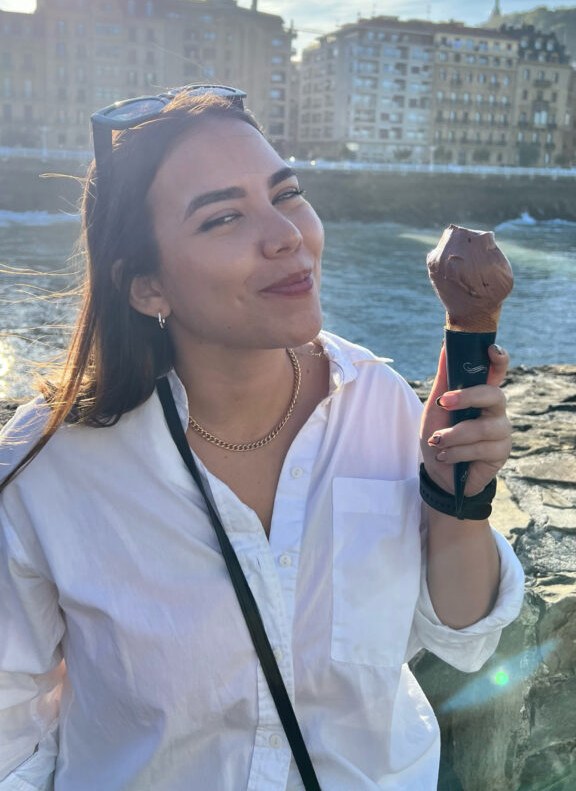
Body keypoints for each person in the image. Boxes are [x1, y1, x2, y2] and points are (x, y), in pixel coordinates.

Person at [0, 85, 524, 791]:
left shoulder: (378, 402)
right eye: (223, 218)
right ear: (147, 288)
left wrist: (459, 490)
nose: (286, 234)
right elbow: (11, 718)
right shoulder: (47, 462)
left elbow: (466, 637)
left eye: (287, 193)